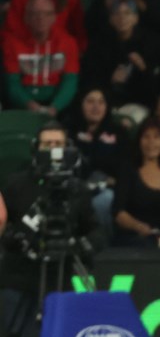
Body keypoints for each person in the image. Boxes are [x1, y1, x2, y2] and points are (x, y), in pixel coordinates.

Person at [0, 120, 105, 337]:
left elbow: (95, 231)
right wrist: (14, 238)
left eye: (58, 144)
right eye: (48, 145)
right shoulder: (16, 185)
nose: (53, 151)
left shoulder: (78, 189)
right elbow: (3, 226)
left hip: (60, 276)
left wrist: (81, 245)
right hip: (18, 277)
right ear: (36, 149)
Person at [61, 86, 129, 240]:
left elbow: (125, 169)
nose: (96, 107)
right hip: (74, 190)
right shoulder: (68, 131)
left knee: (106, 199)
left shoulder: (118, 132)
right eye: (90, 101)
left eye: (101, 102)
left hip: (107, 192)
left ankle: (103, 248)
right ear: (81, 104)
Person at [81, 0, 160, 119]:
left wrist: (143, 68)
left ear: (135, 19)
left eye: (127, 13)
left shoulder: (149, 44)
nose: (122, 18)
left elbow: (155, 88)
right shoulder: (99, 44)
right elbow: (89, 79)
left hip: (138, 103)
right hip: (107, 102)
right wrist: (110, 79)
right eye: (117, 13)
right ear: (111, 19)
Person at [112, 115, 160, 247]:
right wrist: (138, 226)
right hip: (135, 239)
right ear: (139, 141)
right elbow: (118, 212)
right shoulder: (128, 170)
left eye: (156, 137)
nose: (151, 142)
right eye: (146, 137)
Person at [2, 0, 79, 116]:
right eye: (35, 13)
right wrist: (27, 103)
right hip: (22, 105)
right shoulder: (12, 43)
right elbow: (12, 84)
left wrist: (55, 107)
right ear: (26, 17)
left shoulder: (68, 43)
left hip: (58, 105)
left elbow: (70, 82)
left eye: (47, 13)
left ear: (54, 17)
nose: (40, 18)